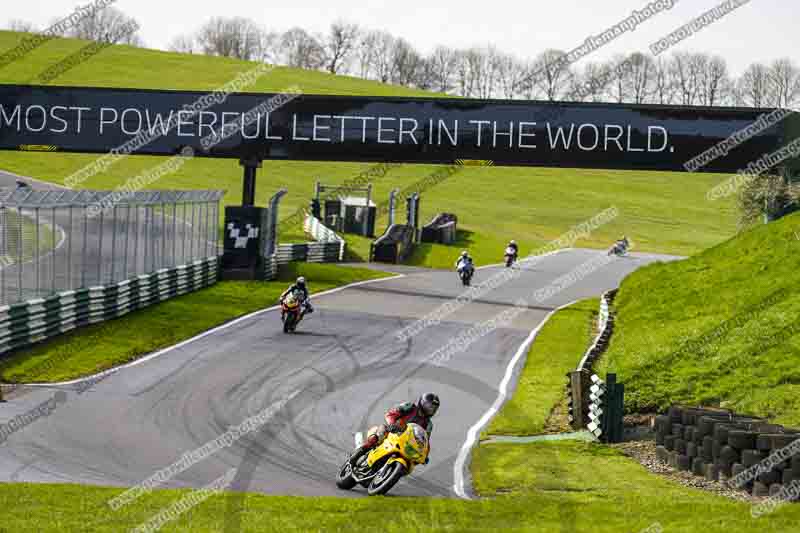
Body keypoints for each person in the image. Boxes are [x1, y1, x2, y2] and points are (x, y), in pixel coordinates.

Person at [349, 393, 440, 466]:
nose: (431, 409)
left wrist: (425, 455)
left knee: (411, 461)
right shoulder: (410, 406)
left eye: (434, 408)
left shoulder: (429, 425)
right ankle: (359, 452)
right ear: (422, 402)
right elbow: (391, 413)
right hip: (392, 430)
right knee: (379, 435)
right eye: (429, 406)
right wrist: (392, 424)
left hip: (406, 441)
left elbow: (425, 441)